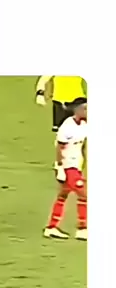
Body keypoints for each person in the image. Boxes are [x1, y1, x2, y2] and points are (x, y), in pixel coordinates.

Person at [44, 98, 87, 240]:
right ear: (76, 110)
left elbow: (82, 145)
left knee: (62, 196)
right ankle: (82, 228)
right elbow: (60, 147)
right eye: (85, 109)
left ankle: (51, 227)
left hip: (76, 165)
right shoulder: (67, 127)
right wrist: (60, 167)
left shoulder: (84, 124)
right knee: (84, 195)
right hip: (68, 166)